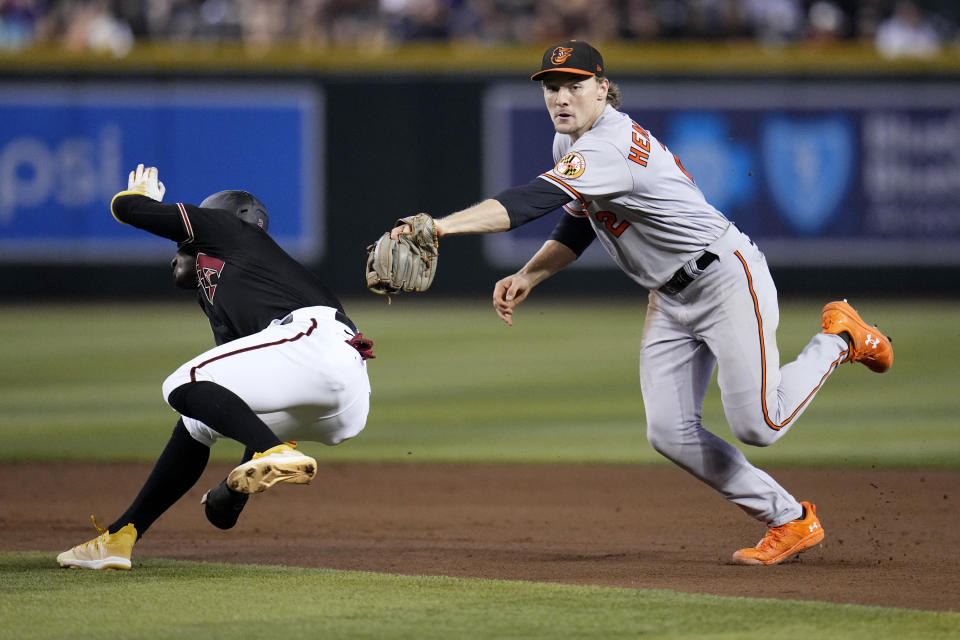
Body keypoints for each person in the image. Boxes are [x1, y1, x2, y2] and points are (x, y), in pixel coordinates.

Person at [388, 40, 893, 565]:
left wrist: (441, 227)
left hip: (725, 279)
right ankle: (789, 519)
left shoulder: (610, 144)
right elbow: (580, 219)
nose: (561, 98)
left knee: (759, 425)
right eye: (552, 87)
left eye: (575, 86)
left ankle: (840, 339)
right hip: (670, 298)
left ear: (603, 89)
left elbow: (530, 202)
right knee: (670, 433)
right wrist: (530, 274)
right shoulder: (571, 145)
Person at [57, 164, 374, 570]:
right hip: (344, 406)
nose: (178, 254)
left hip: (316, 342)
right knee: (195, 421)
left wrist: (140, 197)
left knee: (181, 383)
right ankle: (120, 537)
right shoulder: (230, 295)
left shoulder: (230, 231)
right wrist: (233, 495)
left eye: (185, 245)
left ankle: (271, 449)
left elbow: (128, 210)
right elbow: (242, 403)